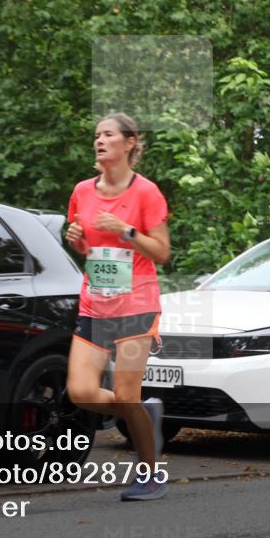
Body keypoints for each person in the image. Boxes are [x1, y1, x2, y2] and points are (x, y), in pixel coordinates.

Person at [64, 112, 171, 501]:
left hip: (136, 305)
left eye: (108, 134)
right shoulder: (82, 191)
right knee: (79, 391)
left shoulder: (146, 192)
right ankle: (143, 414)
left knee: (126, 393)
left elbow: (162, 252)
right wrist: (75, 238)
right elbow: (86, 247)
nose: (99, 140)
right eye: (96, 135)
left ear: (129, 143)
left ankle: (151, 473)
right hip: (95, 304)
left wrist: (125, 230)